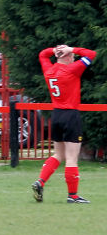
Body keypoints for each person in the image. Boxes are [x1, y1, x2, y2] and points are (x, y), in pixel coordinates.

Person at [31, 44, 96, 204]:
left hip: (57, 114)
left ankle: (40, 181)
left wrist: (54, 51)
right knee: (72, 158)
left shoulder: (49, 71)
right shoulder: (72, 69)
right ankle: (72, 196)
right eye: (72, 56)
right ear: (67, 57)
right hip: (70, 115)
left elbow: (42, 54)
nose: (74, 58)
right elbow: (91, 54)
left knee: (58, 154)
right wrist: (72, 49)